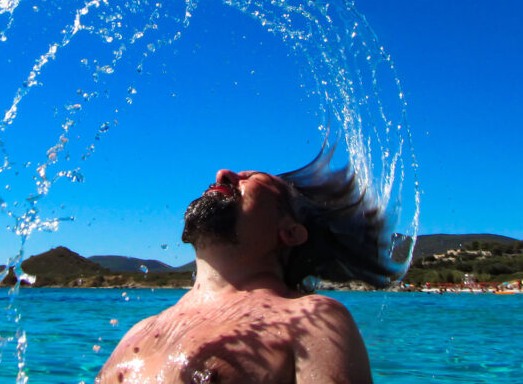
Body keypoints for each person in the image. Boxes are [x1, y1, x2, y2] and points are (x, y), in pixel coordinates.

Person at [97, 145, 406, 383]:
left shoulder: (310, 319)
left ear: (290, 232)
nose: (223, 174)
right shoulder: (140, 330)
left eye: (251, 179)